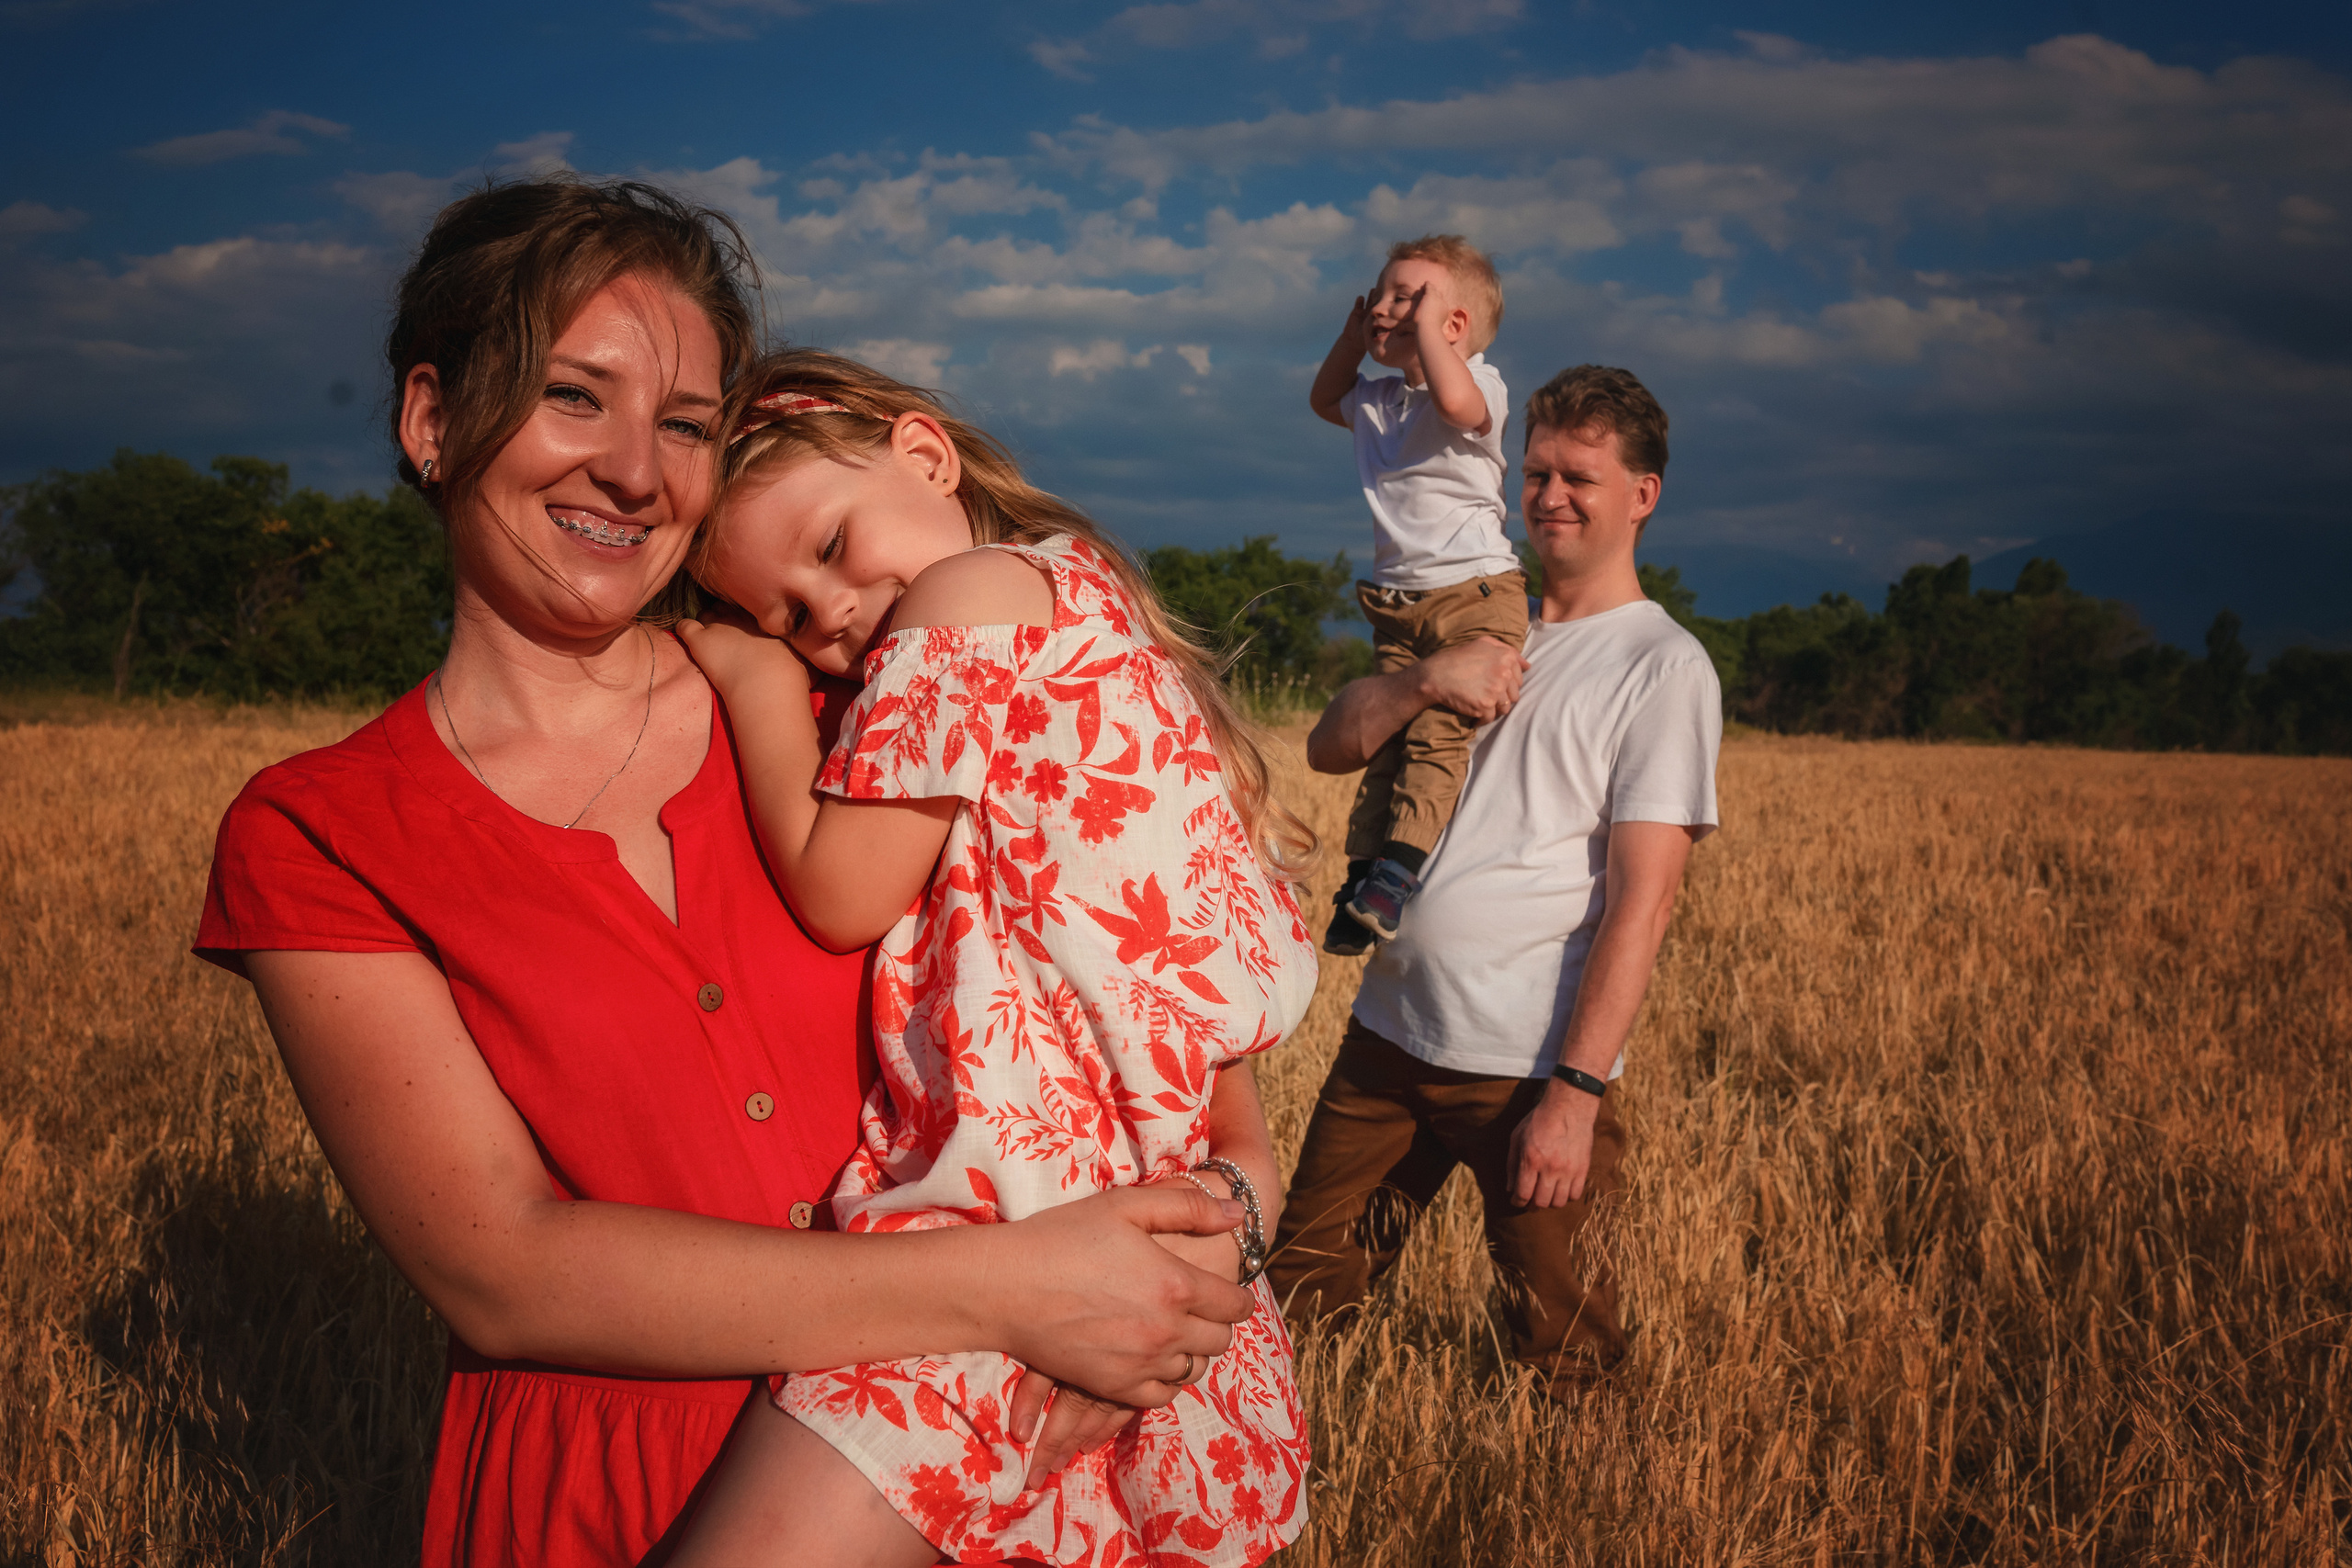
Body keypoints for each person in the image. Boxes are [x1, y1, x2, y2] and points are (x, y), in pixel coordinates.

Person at [191, 177, 1261, 1565]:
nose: (637, 472)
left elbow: (1190, 1062)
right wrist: (1022, 1285)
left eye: (686, 424)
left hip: (999, 1468)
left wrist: (1201, 1255)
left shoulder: (867, 711)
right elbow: (502, 1268)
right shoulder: (323, 830)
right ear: (432, 419)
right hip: (611, 1500)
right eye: (575, 396)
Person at [666, 349, 1319, 1567]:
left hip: (1011, 1213)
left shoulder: (966, 597)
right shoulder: (1090, 605)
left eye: (830, 545)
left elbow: (842, 889)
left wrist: (752, 680)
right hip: (1148, 1211)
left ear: (926, 454)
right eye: (783, 619)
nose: (828, 616)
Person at [1269, 365, 1721, 1401]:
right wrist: (1426, 677)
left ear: (1642, 495)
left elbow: (1643, 901)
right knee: (1297, 1304)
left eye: (1580, 478)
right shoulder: (1471, 617)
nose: (1550, 496)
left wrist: (1576, 1093)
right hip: (1388, 1037)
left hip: (1523, 1068)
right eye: (1536, 472)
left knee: (1567, 1353)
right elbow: (1329, 746)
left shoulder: (1661, 666)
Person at [1306, 232, 1529, 953]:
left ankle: (1398, 873)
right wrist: (1352, 339)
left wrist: (1428, 332)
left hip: (1475, 595)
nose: (1382, 306)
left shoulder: (1481, 385)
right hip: (1398, 604)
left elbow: (1459, 406)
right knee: (1388, 740)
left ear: (1453, 324)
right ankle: (1363, 873)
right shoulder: (1377, 400)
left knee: (1437, 735)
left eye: (1408, 297)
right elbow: (1323, 398)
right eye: (1379, 293)